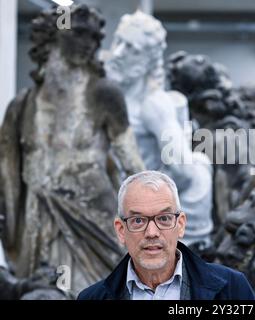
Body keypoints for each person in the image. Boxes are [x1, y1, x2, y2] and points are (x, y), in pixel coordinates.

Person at [0, 5, 145, 295]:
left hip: (94, 218)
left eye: (94, 36)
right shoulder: (22, 105)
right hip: (39, 221)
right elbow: (8, 172)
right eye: (78, 33)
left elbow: (133, 165)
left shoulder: (104, 93)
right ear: (53, 35)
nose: (88, 42)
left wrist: (151, 215)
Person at [103, 11, 213, 249]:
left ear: (149, 59)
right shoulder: (103, 95)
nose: (119, 53)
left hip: (135, 210)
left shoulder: (155, 105)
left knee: (201, 165)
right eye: (118, 41)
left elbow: (183, 172)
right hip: (99, 198)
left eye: (131, 48)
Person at [77, 171, 255, 300]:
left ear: (180, 225)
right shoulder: (91, 298)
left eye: (164, 218)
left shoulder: (232, 288)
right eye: (138, 220)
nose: (152, 233)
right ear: (121, 230)